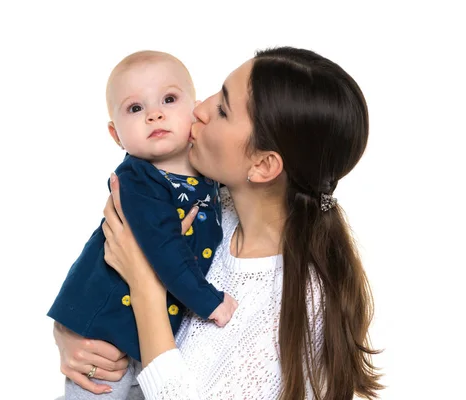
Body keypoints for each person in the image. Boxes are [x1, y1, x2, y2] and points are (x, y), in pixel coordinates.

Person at [54, 46, 383, 399]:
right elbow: (100, 266)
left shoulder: (296, 302)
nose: (198, 110)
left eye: (223, 110)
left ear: (263, 165)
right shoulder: (201, 204)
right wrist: (73, 337)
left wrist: (145, 287)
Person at [48, 50, 238, 399]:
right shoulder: (138, 181)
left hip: (151, 340)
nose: (155, 114)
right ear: (115, 134)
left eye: (168, 99)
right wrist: (209, 301)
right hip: (105, 334)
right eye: (135, 108)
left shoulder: (211, 176)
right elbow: (164, 249)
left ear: (194, 111)